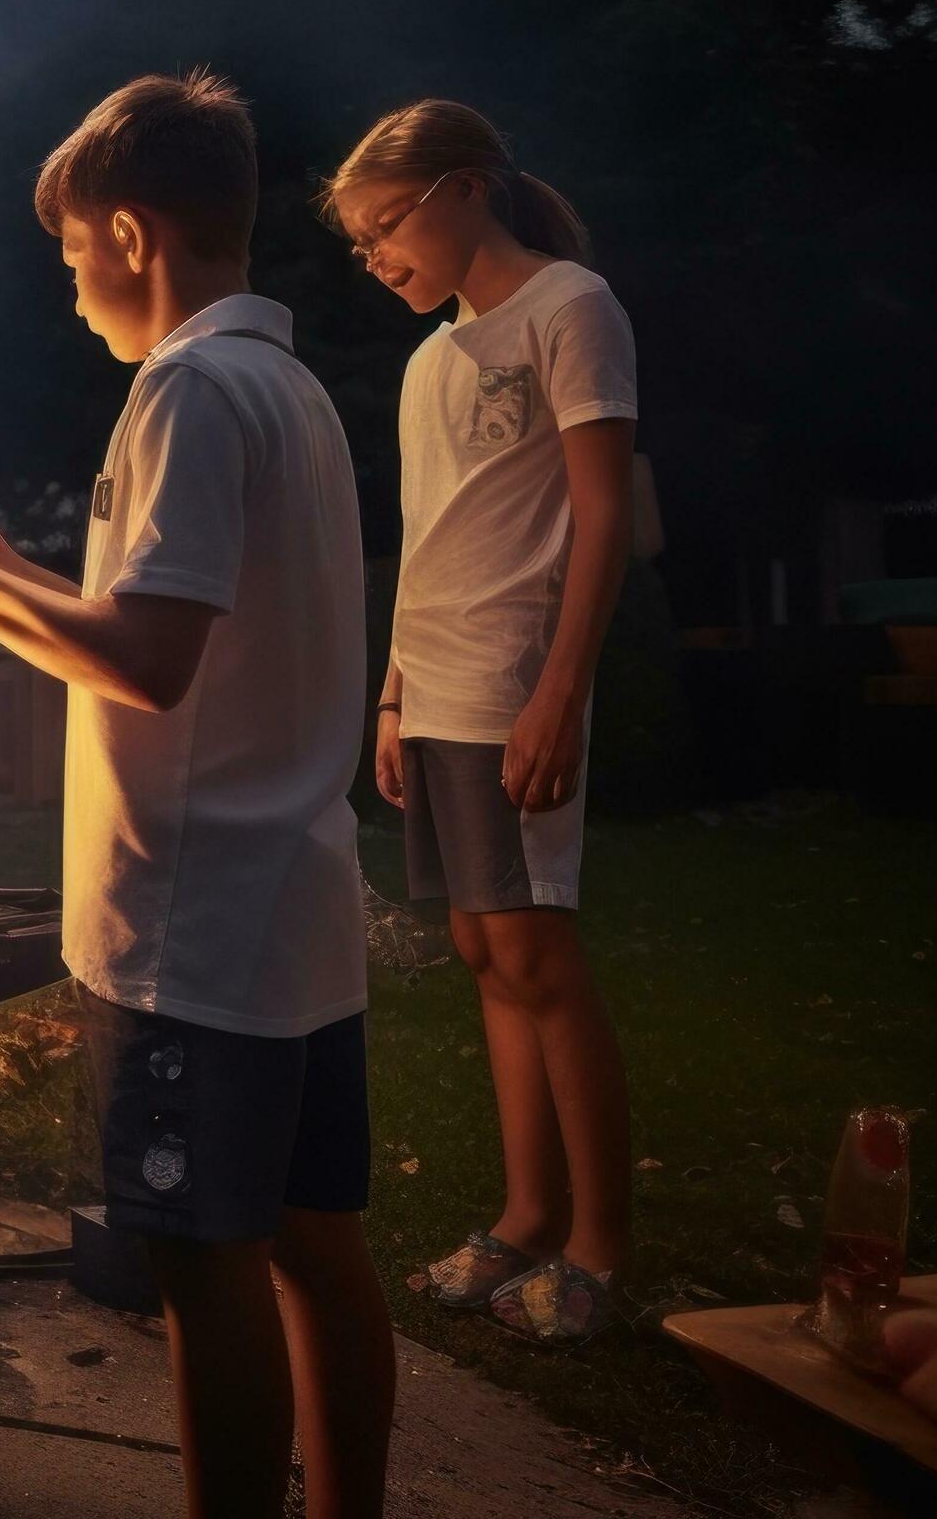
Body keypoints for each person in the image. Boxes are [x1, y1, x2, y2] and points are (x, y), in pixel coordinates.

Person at [0, 73, 394, 1518]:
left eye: (72, 251)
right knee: (322, 1254)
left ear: (129, 232)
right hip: (298, 910)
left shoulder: (189, 387)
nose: (70, 286)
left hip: (194, 932)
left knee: (207, 1278)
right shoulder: (291, 387)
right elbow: (166, 622)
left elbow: (145, 663)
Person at [329, 100, 637, 1350]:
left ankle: (600, 1245)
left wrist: (560, 689)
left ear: (463, 191)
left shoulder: (569, 308)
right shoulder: (426, 361)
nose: (375, 257)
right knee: (484, 956)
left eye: (383, 227)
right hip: (440, 686)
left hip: (519, 680)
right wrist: (393, 693)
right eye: (357, 244)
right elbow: (423, 536)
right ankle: (521, 1214)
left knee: (541, 960)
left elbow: (603, 513)